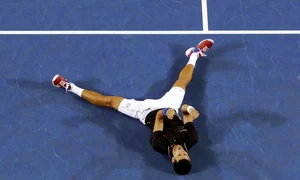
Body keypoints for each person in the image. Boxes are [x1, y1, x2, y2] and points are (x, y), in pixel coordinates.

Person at [52, 39, 214, 175]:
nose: (181, 151)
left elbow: (158, 118)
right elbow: (185, 110)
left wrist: (165, 112)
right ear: (188, 156)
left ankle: (70, 87)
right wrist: (189, 111)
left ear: (173, 159)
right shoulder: (191, 139)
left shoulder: (159, 145)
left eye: (178, 154)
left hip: (146, 112)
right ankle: (194, 54)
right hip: (172, 107)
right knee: (182, 83)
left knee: (109, 101)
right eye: (184, 153)